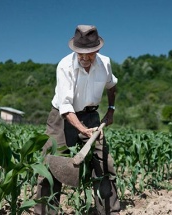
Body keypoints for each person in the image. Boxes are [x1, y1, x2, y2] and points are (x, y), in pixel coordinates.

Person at [34, 25, 120, 215]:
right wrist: (82, 129)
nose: (83, 57)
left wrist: (111, 109)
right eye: (79, 52)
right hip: (62, 118)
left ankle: (108, 211)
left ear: (96, 50)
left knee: (104, 163)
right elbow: (65, 108)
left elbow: (112, 85)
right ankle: (45, 212)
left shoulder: (105, 63)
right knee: (51, 163)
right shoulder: (65, 66)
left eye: (88, 53)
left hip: (91, 116)